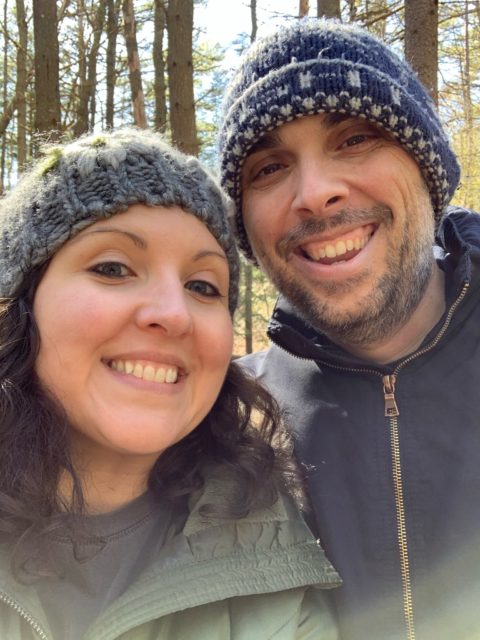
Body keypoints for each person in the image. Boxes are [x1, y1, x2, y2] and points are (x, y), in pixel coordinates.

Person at [0, 128, 341, 640]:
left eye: (202, 286)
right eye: (113, 268)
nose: (174, 314)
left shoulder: (272, 552)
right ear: (20, 304)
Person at [218, 18, 480, 640]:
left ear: (427, 168)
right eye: (268, 168)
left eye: (355, 137)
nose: (315, 193)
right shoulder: (224, 429)